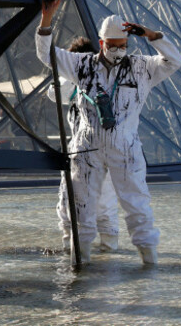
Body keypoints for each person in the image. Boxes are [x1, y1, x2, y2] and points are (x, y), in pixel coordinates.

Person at [36, 0, 181, 264]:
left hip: (125, 146)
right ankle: (80, 265)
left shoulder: (142, 67)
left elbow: (175, 61)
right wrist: (46, 21)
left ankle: (149, 265)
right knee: (81, 206)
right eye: (113, 45)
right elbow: (46, 55)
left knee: (137, 205)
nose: (118, 50)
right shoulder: (81, 64)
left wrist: (151, 35)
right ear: (102, 43)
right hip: (86, 146)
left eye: (123, 45)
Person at [47, 37, 119, 252]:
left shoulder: (95, 78)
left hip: (92, 150)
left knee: (82, 202)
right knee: (90, 204)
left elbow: (54, 93)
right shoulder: (99, 78)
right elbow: (54, 94)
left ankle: (80, 250)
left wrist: (72, 69)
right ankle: (101, 251)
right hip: (89, 150)